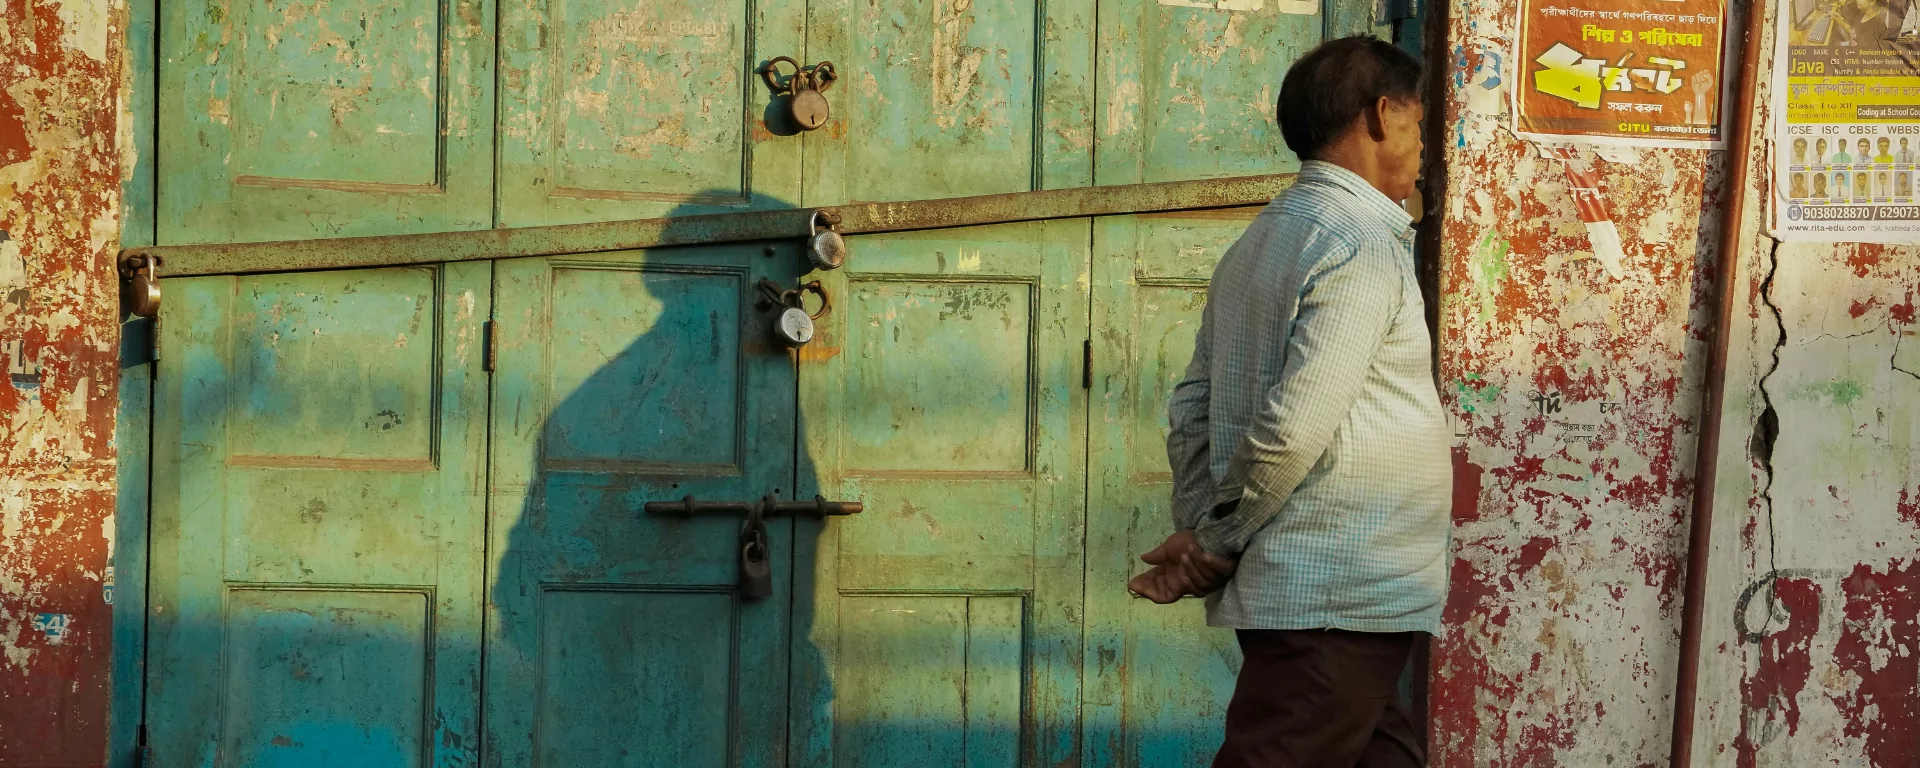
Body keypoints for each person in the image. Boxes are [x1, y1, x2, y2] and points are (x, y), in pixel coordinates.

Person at [1129, 35, 1448, 768]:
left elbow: (1192, 411)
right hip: (1333, 592)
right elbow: (1295, 425)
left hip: (1324, 596)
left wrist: (1202, 526)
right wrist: (1213, 543)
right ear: (1379, 116)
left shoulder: (1260, 241)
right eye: (1419, 124)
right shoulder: (1361, 246)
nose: (1423, 146)